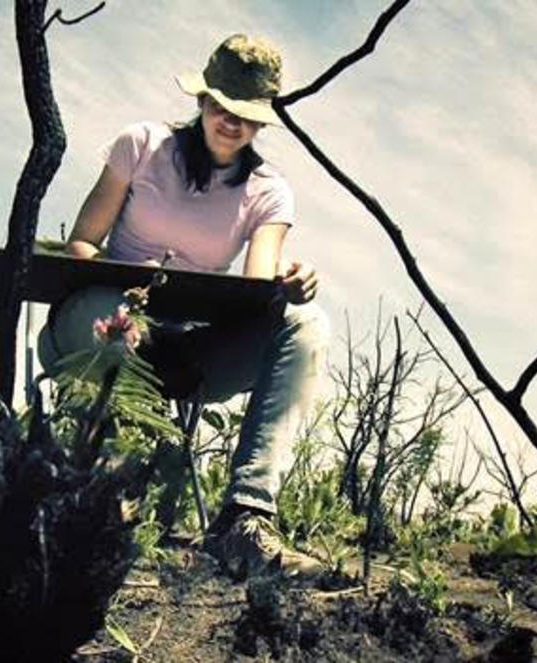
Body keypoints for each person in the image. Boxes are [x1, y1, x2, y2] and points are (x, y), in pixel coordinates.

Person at [38, 34, 329, 578]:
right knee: (106, 312)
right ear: (202, 99)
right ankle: (93, 492)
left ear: (263, 120)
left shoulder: (268, 191)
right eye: (223, 105)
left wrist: (289, 285)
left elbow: (256, 289)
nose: (232, 121)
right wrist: (126, 289)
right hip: (106, 321)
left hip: (187, 351)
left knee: (305, 324)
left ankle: (245, 518)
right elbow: (82, 243)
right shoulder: (141, 145)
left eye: (248, 113)